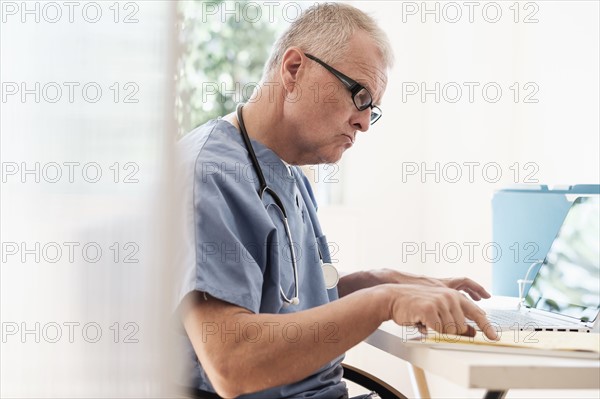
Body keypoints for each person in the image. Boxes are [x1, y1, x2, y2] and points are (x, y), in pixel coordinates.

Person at [176, 3, 498, 398]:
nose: (364, 121)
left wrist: (377, 282)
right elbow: (231, 363)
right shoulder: (208, 174)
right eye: (359, 95)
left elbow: (286, 307)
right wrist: (383, 302)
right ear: (294, 69)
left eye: (371, 109)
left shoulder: (290, 173)